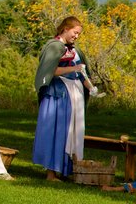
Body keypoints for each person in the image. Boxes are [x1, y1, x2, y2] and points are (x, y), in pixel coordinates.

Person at [32, 16, 99, 181]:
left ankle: (66, 169)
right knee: (58, 131)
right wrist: (73, 68)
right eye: (75, 33)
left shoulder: (75, 51)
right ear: (65, 28)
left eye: (78, 34)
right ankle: (51, 172)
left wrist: (90, 88)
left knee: (72, 133)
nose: (76, 36)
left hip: (74, 96)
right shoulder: (54, 47)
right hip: (58, 95)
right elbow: (50, 71)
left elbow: (81, 72)